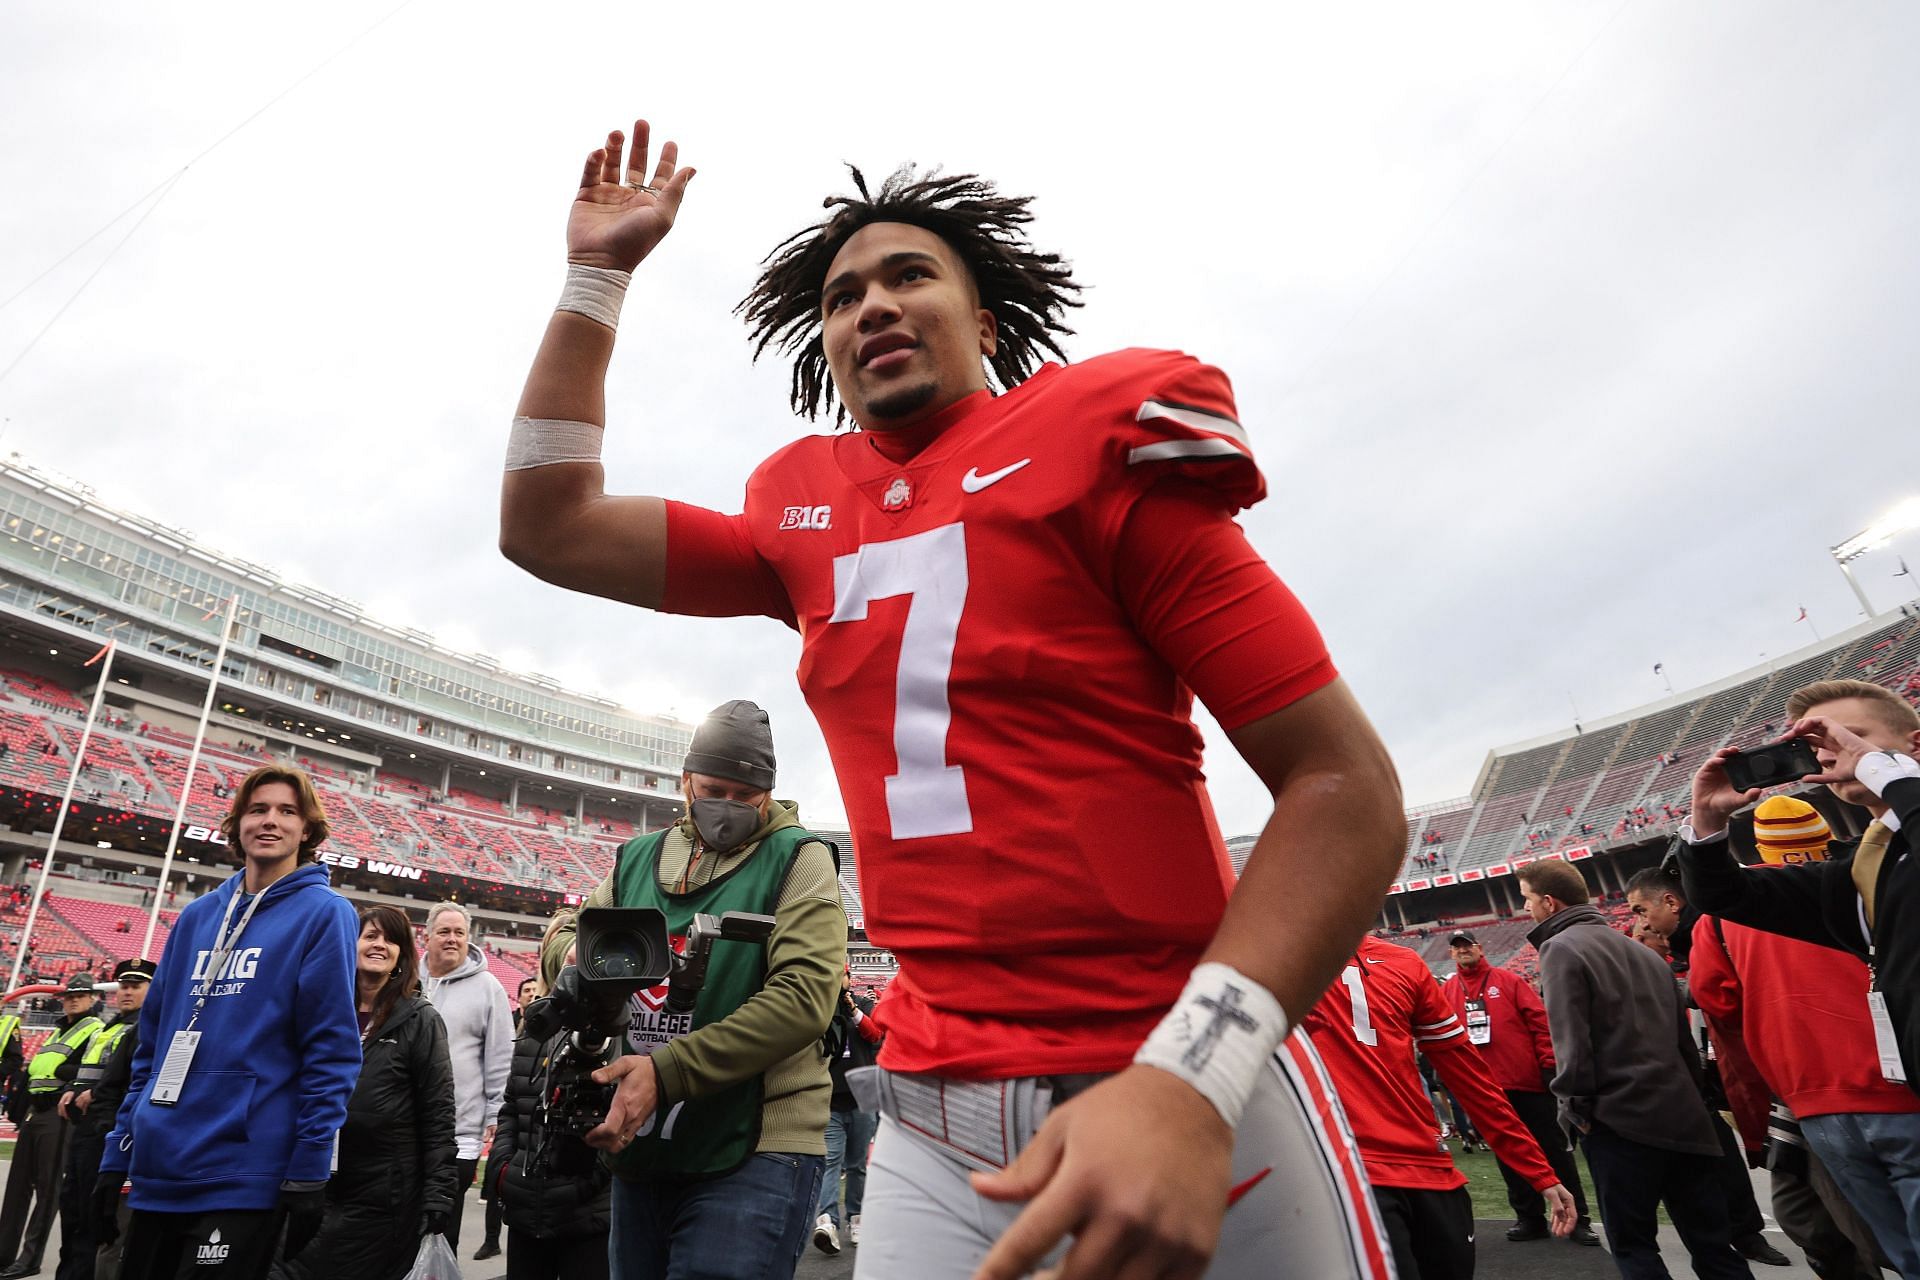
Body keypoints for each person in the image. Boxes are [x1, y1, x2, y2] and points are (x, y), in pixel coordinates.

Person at [500, 117, 1407, 1280]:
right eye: (840, 295)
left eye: (908, 274)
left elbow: (1346, 784)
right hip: (932, 1111)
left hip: (1157, 1061)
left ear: (982, 321)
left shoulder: (1095, 442)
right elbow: (546, 525)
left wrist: (1194, 1073)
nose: (869, 303)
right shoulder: (801, 516)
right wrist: (597, 276)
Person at [540, 700, 844, 1280]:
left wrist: (667, 1072)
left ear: (768, 793)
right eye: (713, 790)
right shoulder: (636, 861)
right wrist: (575, 960)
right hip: (647, 1143)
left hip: (759, 1143)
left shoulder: (800, 859)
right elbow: (565, 945)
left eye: (744, 796)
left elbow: (805, 996)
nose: (726, 807)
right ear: (685, 782)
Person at [95, 765, 361, 1278]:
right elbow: (151, 1049)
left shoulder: (325, 913)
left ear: (307, 830)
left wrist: (310, 1166)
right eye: (257, 809)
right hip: (159, 1165)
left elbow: (331, 1053)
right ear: (237, 822)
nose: (270, 821)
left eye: (287, 811)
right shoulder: (196, 917)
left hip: (245, 1171)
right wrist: (117, 1149)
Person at [1688, 795, 1920, 1277]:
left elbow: (1716, 1000)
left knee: (1892, 1246)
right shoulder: (1873, 879)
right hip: (1899, 1084)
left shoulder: (1725, 916)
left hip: (1812, 1099)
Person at [1518, 858, 1754, 1280]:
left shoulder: (1560, 948)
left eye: (1528, 901)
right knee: (1715, 1248)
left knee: (1634, 1248)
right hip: (1683, 1118)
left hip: (1620, 1122)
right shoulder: (1643, 952)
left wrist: (1574, 1112)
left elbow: (1571, 1043)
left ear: (1549, 903)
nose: (1526, 911)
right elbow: (1685, 1050)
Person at [1679, 679, 1920, 1090]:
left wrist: (1885, 772)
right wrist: (1707, 821)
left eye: (1849, 736)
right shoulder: (1863, 865)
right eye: (1818, 745)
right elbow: (1724, 896)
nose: (1829, 754)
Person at [1303, 935, 1578, 1279]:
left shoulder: (1404, 963)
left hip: (1432, 1174)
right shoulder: (1264, 959)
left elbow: (1471, 1077)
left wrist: (1539, 1170)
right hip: (1346, 1176)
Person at [274, 906, 458, 1280]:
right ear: (350, 945)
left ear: (402, 955)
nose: (380, 945)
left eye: (391, 939)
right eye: (370, 936)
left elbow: (438, 1114)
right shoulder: (319, 1010)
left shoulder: (420, 1020)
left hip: (381, 1199)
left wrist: (438, 1195)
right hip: (310, 1181)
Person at [1625, 867, 1790, 1268]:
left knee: (1754, 1168)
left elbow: (1715, 1000)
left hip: (1728, 1076)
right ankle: (1729, 1236)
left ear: (1670, 903)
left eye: (1642, 913)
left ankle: (1746, 1233)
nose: (1644, 927)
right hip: (1685, 1084)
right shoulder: (1648, 973)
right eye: (1640, 931)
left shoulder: (1699, 943)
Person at [1440, 929, 1597, 1246]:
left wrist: (1546, 1066)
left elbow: (1540, 1022)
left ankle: (1577, 1217)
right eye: (1456, 948)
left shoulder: (1508, 981)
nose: (1463, 951)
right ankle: (1530, 1218)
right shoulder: (1448, 992)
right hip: (1485, 1090)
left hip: (1527, 1084)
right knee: (1508, 1155)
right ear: (1452, 954)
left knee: (1553, 1151)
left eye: (1467, 945)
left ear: (1479, 948)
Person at [492, 918, 612, 1280]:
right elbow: (513, 1106)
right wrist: (503, 1170)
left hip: (587, 1216)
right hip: (526, 1209)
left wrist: (588, 1183)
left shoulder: (612, 1030)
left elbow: (623, 1118)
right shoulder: (534, 1028)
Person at [419, 901, 513, 1251]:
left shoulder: (489, 988)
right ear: (426, 937)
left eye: (459, 932)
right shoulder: (408, 980)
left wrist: (495, 1112)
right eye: (444, 931)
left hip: (460, 1131)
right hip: (402, 1126)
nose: (452, 939)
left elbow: (500, 1058)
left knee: (444, 1228)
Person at [52, 958, 152, 1280]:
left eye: (135, 986)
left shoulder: (145, 1027)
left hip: (106, 1129)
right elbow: (88, 1069)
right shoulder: (108, 1025)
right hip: (86, 1126)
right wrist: (72, 1087)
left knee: (92, 1220)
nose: (126, 992)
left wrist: (97, 1096)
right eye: (123, 985)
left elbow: (132, 1080)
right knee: (72, 1211)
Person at [0, 975, 102, 1278]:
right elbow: (36, 1071)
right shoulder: (59, 1029)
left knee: (47, 1190)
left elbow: (89, 1069)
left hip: (60, 1115)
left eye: (80, 995)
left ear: (93, 999)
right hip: (36, 1112)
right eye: (69, 995)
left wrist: (65, 1073)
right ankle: (4, 1253)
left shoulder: (94, 1029)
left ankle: (30, 1259)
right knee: (17, 1189)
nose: (73, 999)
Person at [814, 973, 884, 1256]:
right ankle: (828, 1221)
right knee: (831, 1162)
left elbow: (875, 1033)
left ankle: (856, 1217)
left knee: (857, 1165)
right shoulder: (820, 1009)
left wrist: (852, 1010)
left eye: (841, 974)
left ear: (848, 978)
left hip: (861, 1100)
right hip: (830, 1099)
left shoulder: (863, 1005)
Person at [477, 974, 544, 1263]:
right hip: (515, 1124)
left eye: (533, 989)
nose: (530, 993)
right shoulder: (519, 1024)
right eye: (525, 990)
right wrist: (502, 1162)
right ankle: (491, 1239)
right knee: (500, 1182)